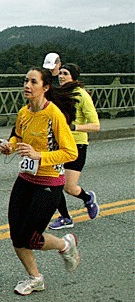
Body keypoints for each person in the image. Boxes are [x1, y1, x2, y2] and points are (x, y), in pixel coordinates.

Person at [0, 67, 80, 296]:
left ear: (45, 87)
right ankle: (35, 278)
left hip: (49, 182)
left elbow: (70, 152)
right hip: (25, 179)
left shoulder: (53, 114)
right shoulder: (24, 112)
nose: (27, 85)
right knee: (17, 235)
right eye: (25, 80)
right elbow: (18, 136)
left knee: (31, 238)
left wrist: (40, 156)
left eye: (33, 82)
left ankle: (65, 245)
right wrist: (10, 147)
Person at [49, 63, 101, 229]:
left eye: (66, 73)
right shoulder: (59, 93)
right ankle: (65, 217)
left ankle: (87, 199)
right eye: (60, 73)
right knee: (53, 183)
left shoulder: (82, 95)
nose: (61, 76)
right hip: (58, 145)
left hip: (77, 145)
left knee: (69, 188)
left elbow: (96, 125)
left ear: (74, 77)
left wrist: (74, 127)